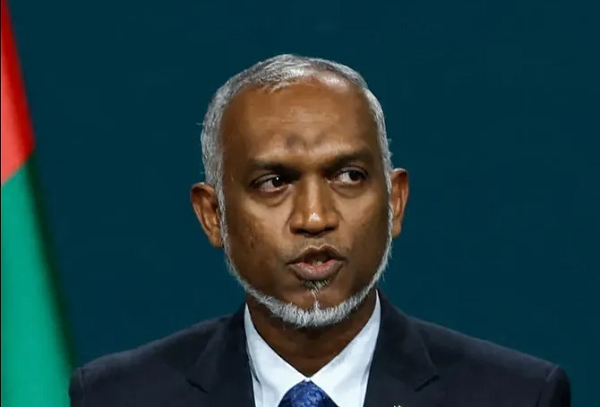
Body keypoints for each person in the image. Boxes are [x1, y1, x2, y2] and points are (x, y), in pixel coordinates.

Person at [69, 54, 570, 407]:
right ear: (213, 215)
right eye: (274, 182)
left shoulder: (517, 396)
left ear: (394, 202)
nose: (314, 217)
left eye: (348, 176)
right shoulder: (117, 397)